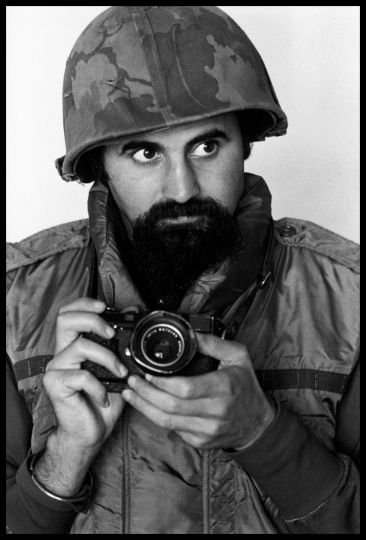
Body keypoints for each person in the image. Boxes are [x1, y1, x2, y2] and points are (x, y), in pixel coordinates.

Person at [6, 6, 359, 535]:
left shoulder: (348, 299)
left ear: (246, 143)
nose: (183, 188)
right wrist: (67, 452)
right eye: (145, 152)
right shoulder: (16, 301)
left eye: (207, 146)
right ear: (99, 164)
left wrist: (265, 435)